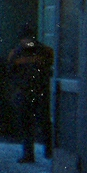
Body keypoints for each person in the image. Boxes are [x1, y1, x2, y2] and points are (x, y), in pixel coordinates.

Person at [7, 24, 54, 163]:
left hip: (35, 91)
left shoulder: (18, 53)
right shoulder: (43, 51)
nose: (27, 41)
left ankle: (44, 152)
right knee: (32, 123)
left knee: (39, 123)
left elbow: (11, 73)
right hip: (31, 91)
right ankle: (34, 153)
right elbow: (11, 72)